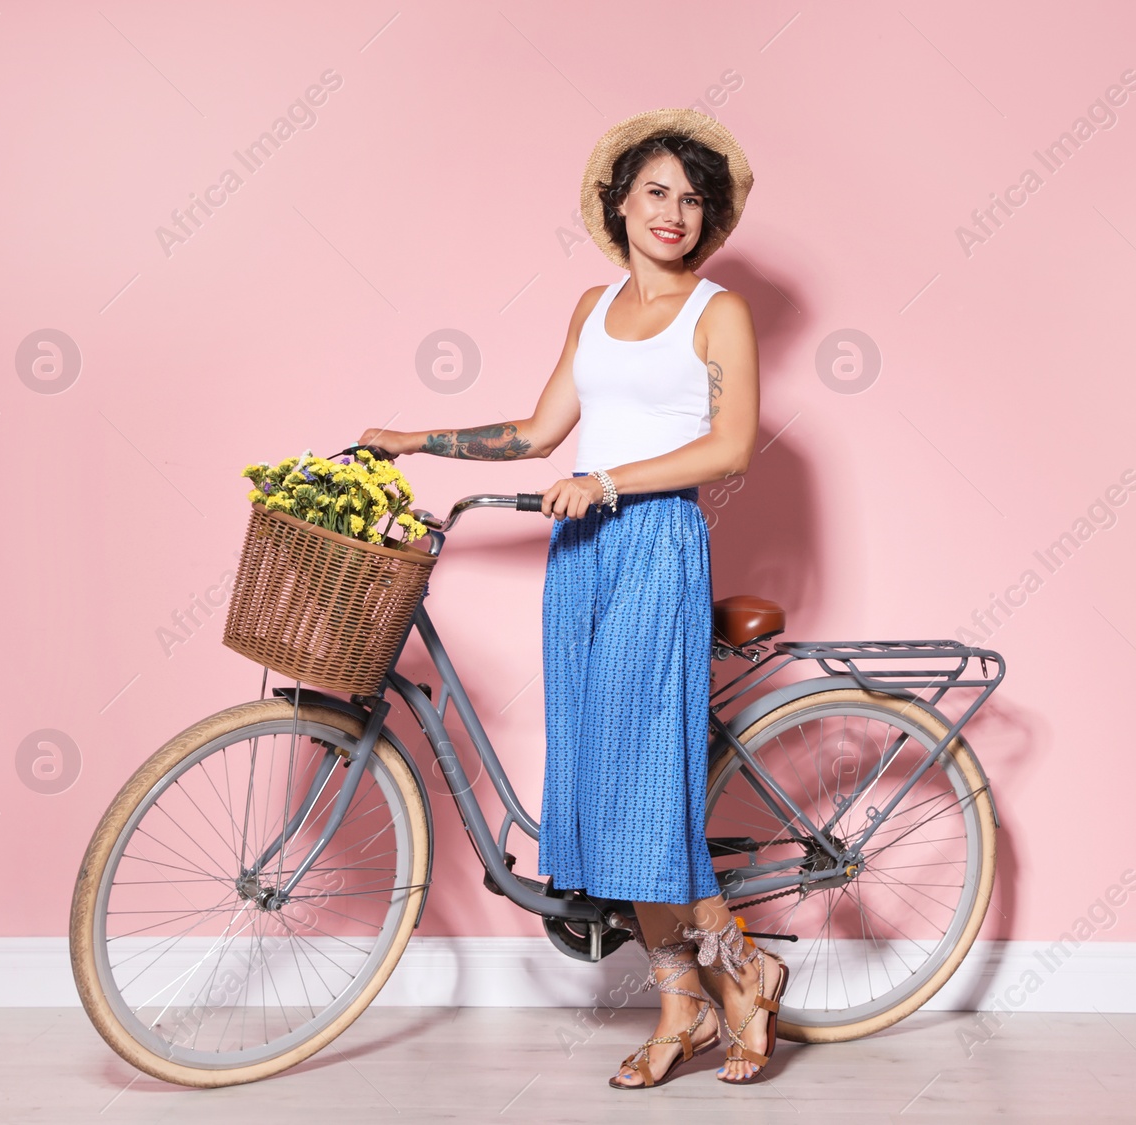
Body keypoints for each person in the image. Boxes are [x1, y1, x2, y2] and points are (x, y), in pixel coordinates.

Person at [358, 108, 786, 1087]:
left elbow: (727, 447)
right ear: (619, 204)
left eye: (689, 197)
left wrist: (610, 481)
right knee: (598, 790)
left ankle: (745, 971)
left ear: (705, 216)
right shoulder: (592, 306)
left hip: (652, 546)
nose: (671, 211)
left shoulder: (716, 311)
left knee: (646, 793)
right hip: (578, 554)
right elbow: (538, 431)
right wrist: (415, 438)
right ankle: (684, 1009)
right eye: (654, 192)